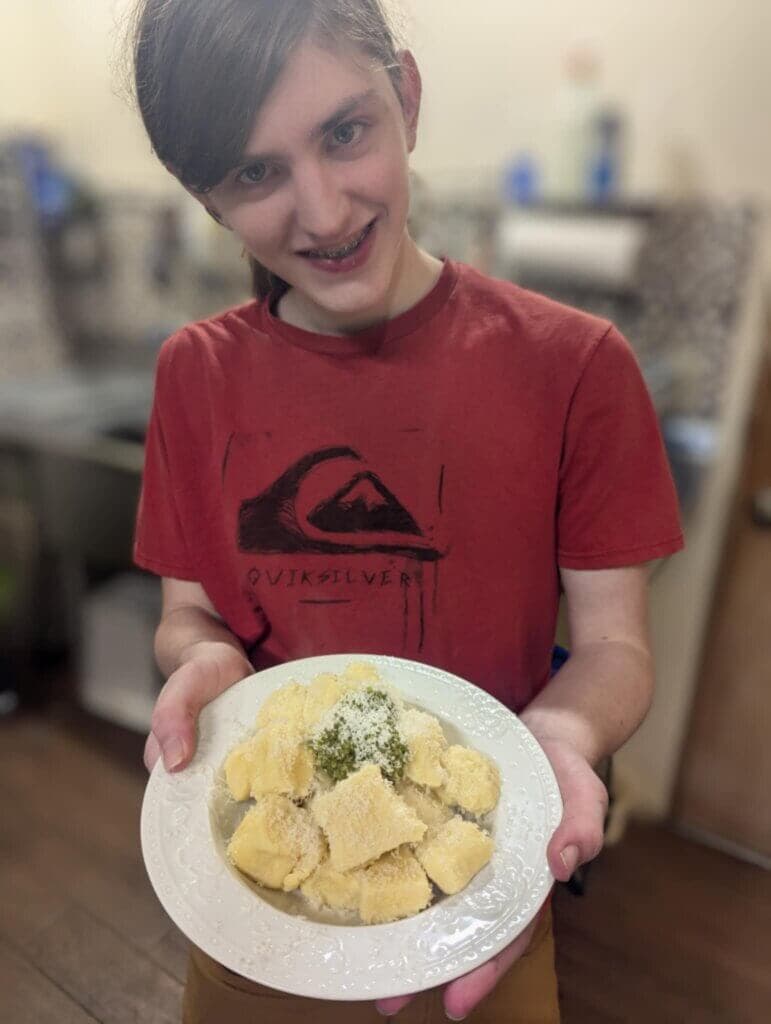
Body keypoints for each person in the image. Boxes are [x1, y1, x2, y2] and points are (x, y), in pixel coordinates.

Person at [129, 1, 684, 1021]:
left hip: (483, 923)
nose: (327, 210)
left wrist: (558, 736)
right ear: (205, 199)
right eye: (256, 173)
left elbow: (618, 647)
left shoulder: (576, 366)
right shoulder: (194, 376)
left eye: (345, 132)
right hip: (257, 928)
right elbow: (187, 611)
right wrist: (200, 659)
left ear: (409, 99)